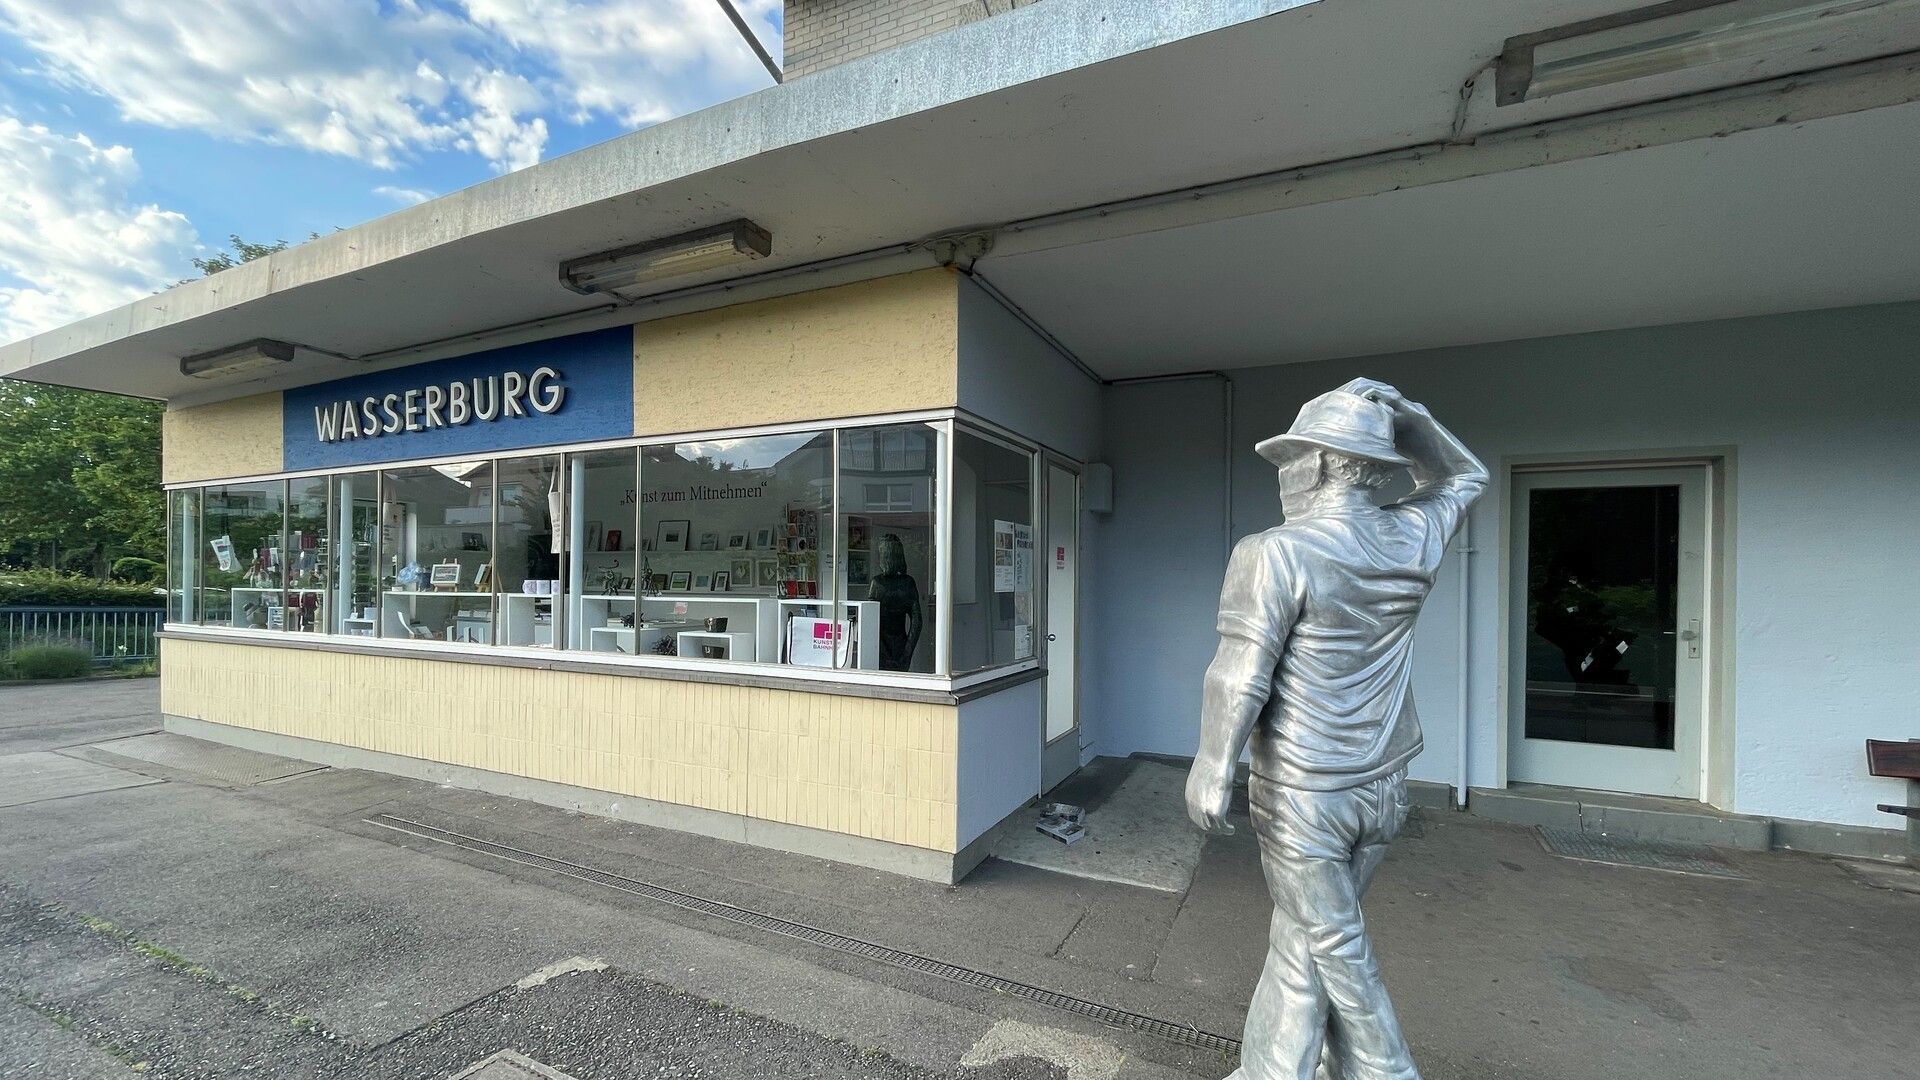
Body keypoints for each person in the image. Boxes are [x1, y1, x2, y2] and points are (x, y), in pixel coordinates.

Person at [1186, 378, 1487, 1080]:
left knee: (1339, 950)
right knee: (1303, 944)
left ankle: (1388, 1070)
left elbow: (1240, 671)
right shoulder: (1412, 537)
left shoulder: (1275, 551)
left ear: (1318, 463)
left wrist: (1212, 763)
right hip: (1384, 784)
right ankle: (1276, 1070)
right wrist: (1412, 418)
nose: (1283, 473)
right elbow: (1464, 477)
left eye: (1290, 457)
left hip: (1305, 790)